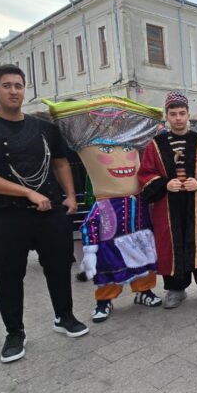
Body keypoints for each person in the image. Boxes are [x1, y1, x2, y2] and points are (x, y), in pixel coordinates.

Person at [0, 64, 88, 364]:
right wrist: (27, 192)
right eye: (7, 85)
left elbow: (60, 163)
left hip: (50, 213)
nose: (13, 91)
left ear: (24, 88)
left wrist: (69, 195)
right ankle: (14, 332)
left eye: (18, 85)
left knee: (57, 267)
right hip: (3, 216)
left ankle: (64, 316)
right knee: (7, 276)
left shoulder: (44, 128)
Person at [47, 96, 165, 322]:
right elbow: (89, 225)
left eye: (130, 149)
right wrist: (89, 252)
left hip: (138, 219)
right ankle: (104, 301)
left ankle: (144, 291)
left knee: (145, 261)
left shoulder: (135, 144)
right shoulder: (88, 144)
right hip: (110, 232)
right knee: (107, 266)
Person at [141, 92, 197, 308]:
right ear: (166, 116)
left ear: (188, 115)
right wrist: (164, 184)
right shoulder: (155, 145)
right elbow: (145, 174)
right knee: (171, 243)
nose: (178, 118)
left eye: (182, 113)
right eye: (173, 114)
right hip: (167, 205)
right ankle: (176, 288)